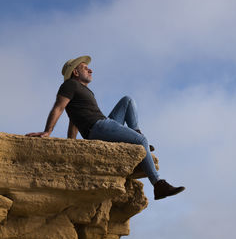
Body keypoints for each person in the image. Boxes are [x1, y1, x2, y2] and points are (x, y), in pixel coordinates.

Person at [26, 55, 185, 200]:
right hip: (98, 127)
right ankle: (158, 185)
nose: (90, 69)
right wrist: (48, 131)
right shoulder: (69, 85)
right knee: (142, 140)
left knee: (127, 100)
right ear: (75, 72)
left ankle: (134, 136)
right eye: (84, 67)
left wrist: (71, 143)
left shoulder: (84, 90)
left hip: (102, 124)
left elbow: (74, 119)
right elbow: (59, 107)